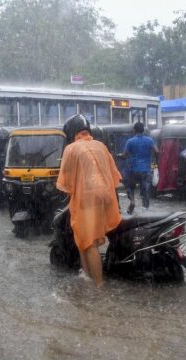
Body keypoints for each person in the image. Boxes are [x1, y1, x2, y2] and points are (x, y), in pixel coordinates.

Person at [56, 115, 122, 288]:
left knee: (89, 242)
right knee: (82, 237)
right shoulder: (101, 146)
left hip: (87, 197)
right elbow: (113, 173)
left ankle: (99, 286)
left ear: (71, 132)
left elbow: (67, 179)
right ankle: (86, 275)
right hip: (105, 195)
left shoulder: (71, 149)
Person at [119, 122, 159, 214]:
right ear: (143, 130)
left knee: (130, 186)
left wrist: (120, 156)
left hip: (133, 169)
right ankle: (145, 209)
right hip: (146, 170)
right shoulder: (149, 140)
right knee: (145, 189)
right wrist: (153, 159)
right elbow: (157, 151)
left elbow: (124, 155)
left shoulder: (130, 141)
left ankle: (132, 201)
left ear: (134, 130)